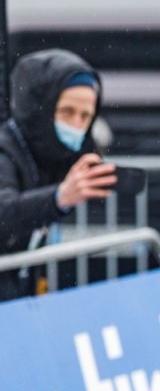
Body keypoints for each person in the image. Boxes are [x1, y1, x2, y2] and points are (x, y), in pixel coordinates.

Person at [0, 49, 119, 298]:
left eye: (86, 116)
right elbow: (5, 213)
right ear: (40, 108)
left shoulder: (53, 155)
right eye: (66, 112)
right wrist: (58, 198)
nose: (76, 124)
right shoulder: (6, 149)